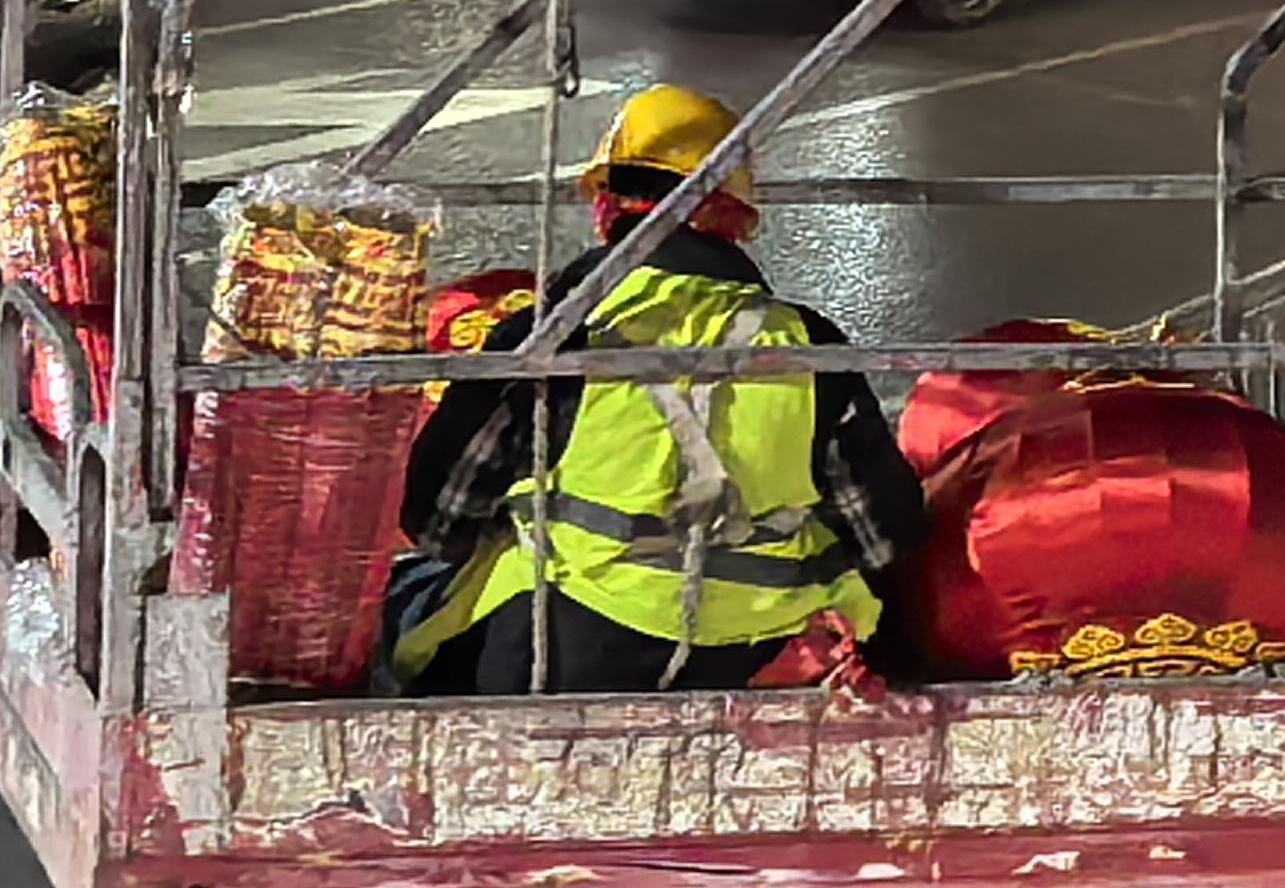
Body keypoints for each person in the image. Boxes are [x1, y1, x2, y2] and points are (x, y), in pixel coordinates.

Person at [387, 82, 922, 695]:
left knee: (413, 602)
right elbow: (882, 537)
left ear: (606, 207)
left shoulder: (550, 337)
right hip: (757, 657)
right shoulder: (808, 344)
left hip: (562, 654)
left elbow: (438, 524)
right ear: (734, 220)